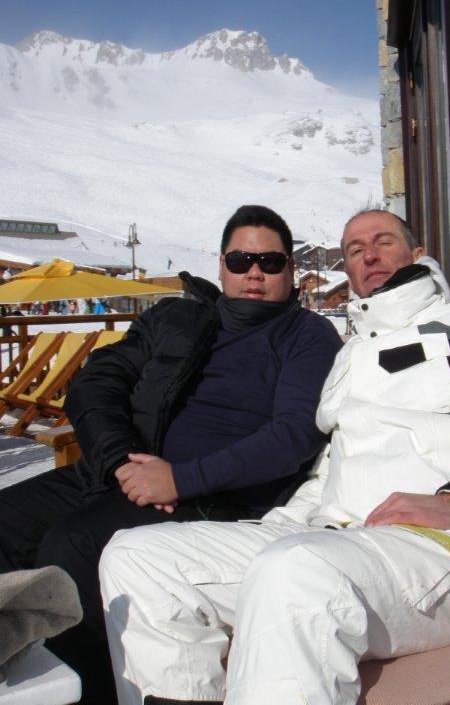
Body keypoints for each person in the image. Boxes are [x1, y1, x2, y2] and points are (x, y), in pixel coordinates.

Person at [100, 209, 450, 705]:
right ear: (347, 270)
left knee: (294, 570)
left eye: (383, 242)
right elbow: (331, 466)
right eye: (354, 249)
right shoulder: (349, 356)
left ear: (417, 253)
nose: (369, 255)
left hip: (444, 550)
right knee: (138, 557)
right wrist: (284, 523)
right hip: (332, 537)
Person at [0, 204, 342, 705]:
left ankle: (89, 692)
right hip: (118, 471)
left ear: (290, 270)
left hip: (213, 495)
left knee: (71, 544)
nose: (254, 273)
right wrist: (119, 460)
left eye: (270, 262)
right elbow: (97, 382)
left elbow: (293, 435)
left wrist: (181, 479)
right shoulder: (178, 318)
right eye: (241, 259)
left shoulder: (306, 336)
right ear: (221, 264)